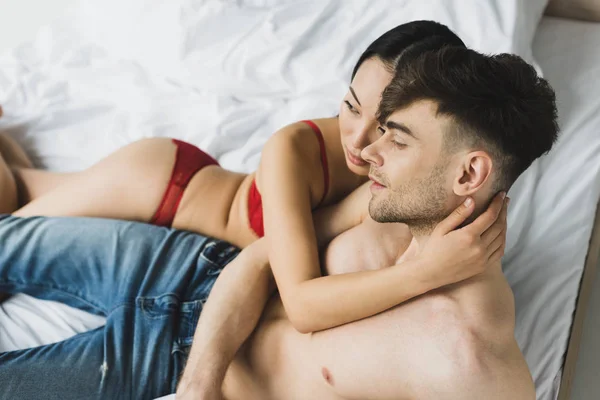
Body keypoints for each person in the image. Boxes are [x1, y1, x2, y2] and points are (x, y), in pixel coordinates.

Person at [0, 46, 558, 399]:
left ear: (469, 174)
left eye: (399, 137)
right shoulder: (390, 201)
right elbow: (258, 258)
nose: (369, 151)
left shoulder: (471, 372)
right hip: (187, 268)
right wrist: (198, 390)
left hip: (153, 363)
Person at [0, 21, 497, 334]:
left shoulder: (427, 169)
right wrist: (424, 273)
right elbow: (302, 304)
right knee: (9, 236)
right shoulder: (294, 148)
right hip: (163, 189)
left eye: (387, 127)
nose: (358, 141)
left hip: (174, 187)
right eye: (349, 106)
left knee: (19, 189)